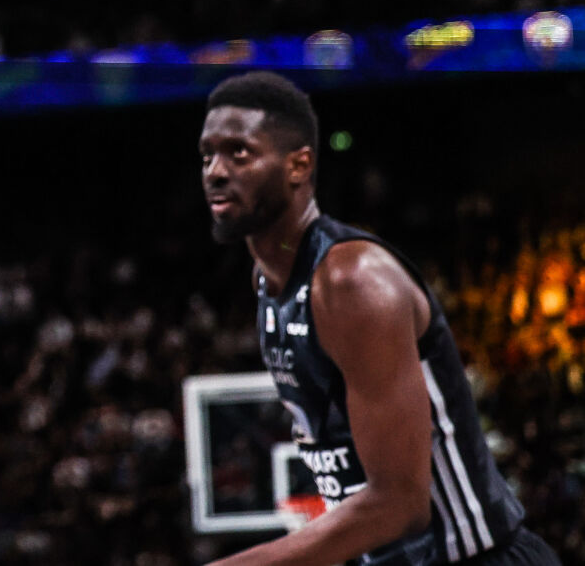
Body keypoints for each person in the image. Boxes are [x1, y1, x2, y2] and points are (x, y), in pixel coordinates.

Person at [198, 72, 556, 566]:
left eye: (239, 153)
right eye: (207, 156)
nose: (216, 171)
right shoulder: (269, 282)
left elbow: (399, 505)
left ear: (299, 165)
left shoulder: (351, 281)